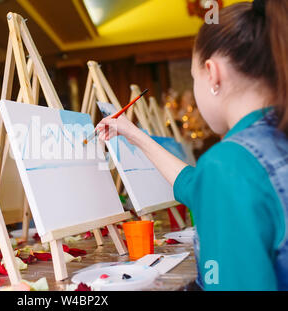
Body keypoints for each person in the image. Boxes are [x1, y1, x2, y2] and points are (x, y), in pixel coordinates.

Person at [96, 0, 287, 290]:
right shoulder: (269, 142)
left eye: (194, 77)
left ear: (212, 74)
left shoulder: (230, 163)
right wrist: (133, 133)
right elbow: (193, 185)